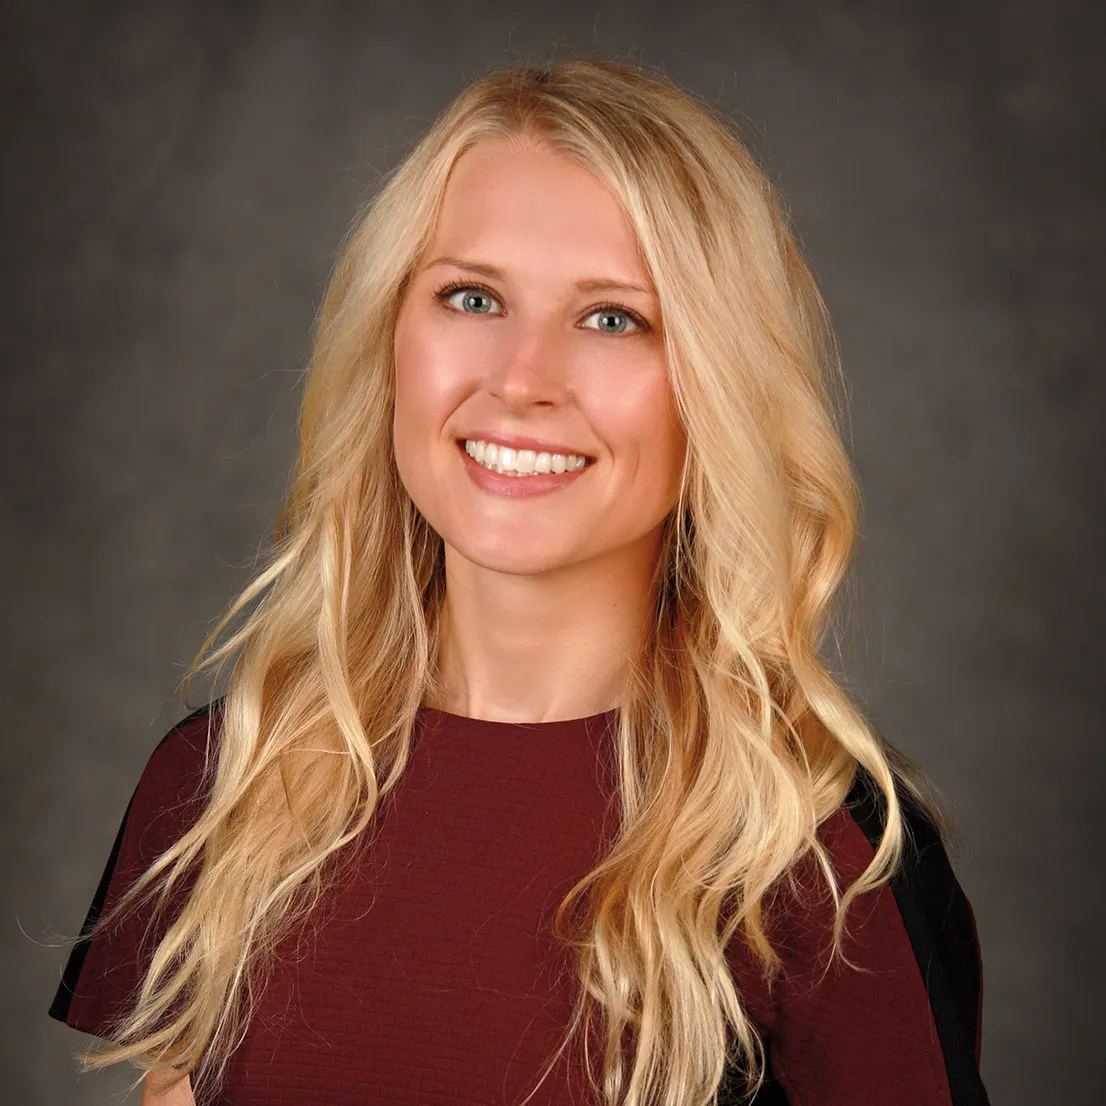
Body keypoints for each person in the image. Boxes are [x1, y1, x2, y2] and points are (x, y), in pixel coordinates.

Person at [48, 58, 990, 1106]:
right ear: (388, 340)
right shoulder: (227, 779)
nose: (519, 378)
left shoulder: (819, 853)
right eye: (471, 296)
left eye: (611, 318)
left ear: (714, 388)